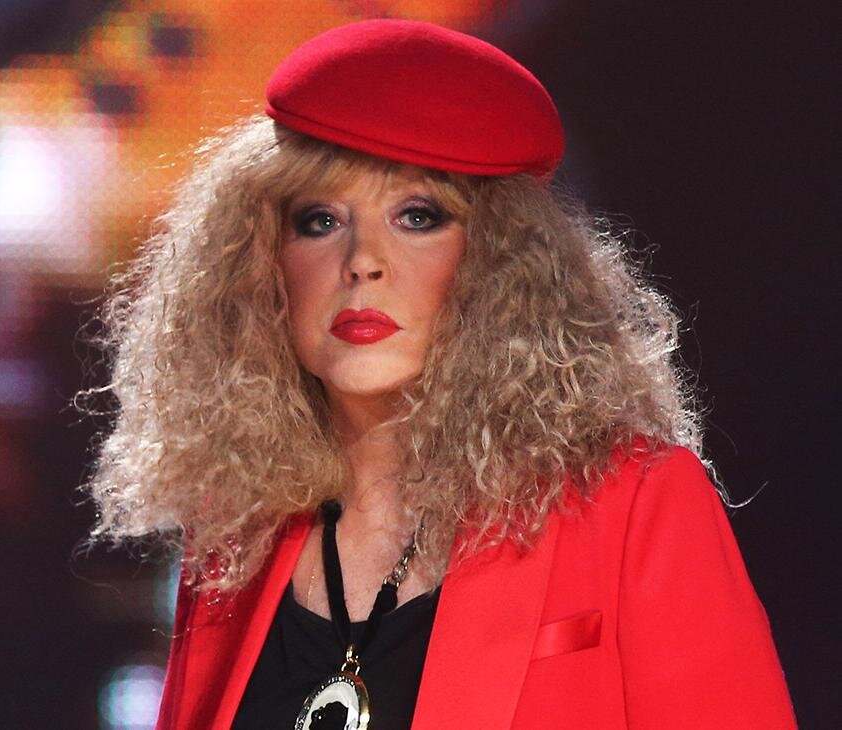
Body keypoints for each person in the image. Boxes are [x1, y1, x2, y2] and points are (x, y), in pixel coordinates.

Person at [82, 19, 796, 729]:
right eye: (320, 221)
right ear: (262, 266)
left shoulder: (636, 503)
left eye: (418, 216)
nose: (362, 261)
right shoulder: (238, 536)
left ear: (503, 265)